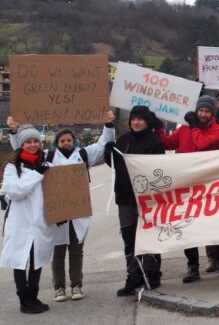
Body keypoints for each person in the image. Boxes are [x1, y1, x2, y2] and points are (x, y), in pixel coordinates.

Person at [8, 112, 116, 302]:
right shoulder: (47, 157)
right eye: (62, 140)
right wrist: (14, 131)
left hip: (77, 213)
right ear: (56, 143)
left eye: (69, 140)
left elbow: (102, 145)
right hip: (56, 215)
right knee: (57, 253)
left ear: (73, 141)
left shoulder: (83, 155)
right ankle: (59, 287)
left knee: (76, 251)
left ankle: (76, 285)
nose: (66, 143)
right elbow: (21, 149)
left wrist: (108, 125)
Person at [155, 95, 219, 282]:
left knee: (216, 227)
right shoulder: (184, 129)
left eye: (206, 111)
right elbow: (167, 143)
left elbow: (202, 143)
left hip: (210, 187)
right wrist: (158, 127)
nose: (203, 114)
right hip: (186, 188)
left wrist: (194, 126)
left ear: (212, 113)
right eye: (200, 110)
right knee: (187, 228)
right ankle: (193, 267)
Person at [104, 106, 165, 296]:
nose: (136, 122)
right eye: (133, 119)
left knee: (148, 236)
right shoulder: (123, 140)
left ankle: (152, 274)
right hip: (124, 197)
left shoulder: (155, 142)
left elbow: (158, 169)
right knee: (129, 239)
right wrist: (108, 153)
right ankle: (133, 277)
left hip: (146, 199)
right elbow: (115, 165)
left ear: (147, 121)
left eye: (140, 119)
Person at [1, 125, 55, 314]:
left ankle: (33, 296)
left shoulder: (47, 164)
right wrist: (37, 174)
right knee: (19, 260)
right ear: (21, 145)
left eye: (35, 141)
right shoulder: (12, 167)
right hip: (20, 222)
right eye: (28, 142)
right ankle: (24, 299)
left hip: (40, 221)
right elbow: (14, 191)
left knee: (37, 259)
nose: (32, 145)